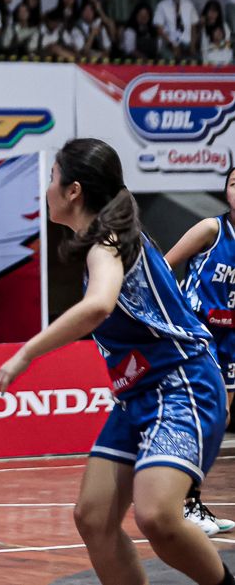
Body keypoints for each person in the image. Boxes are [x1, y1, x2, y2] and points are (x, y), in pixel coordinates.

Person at [0, 139, 231, 585]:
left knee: (157, 516)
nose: (47, 190)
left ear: (74, 190)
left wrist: (25, 353)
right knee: (93, 517)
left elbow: (98, 306)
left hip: (183, 385)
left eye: (52, 179)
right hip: (136, 395)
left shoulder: (108, 241)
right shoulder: (104, 239)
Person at [163, 165, 235, 536]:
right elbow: (163, 267)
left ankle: (192, 500)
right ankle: (183, 503)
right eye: (234, 184)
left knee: (220, 420)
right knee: (204, 417)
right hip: (199, 335)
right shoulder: (212, 229)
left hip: (233, 340)